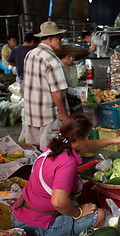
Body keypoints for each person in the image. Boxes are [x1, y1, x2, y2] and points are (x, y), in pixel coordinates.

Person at [12, 113, 120, 236]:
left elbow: (87, 146)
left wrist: (115, 140)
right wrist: (78, 212)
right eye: (87, 136)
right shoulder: (67, 163)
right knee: (100, 215)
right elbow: (58, 202)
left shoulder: (55, 148)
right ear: (78, 139)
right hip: (38, 228)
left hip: (20, 216)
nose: (87, 140)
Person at [23, 21, 69, 150]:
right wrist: (63, 114)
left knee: (34, 148)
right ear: (50, 39)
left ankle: (35, 170)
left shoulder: (30, 54)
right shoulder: (52, 60)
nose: (61, 41)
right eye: (59, 38)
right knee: (50, 150)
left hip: (31, 111)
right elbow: (56, 92)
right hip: (48, 114)